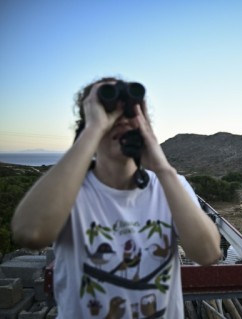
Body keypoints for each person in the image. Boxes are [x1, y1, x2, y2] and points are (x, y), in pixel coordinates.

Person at [11, 76, 222, 318]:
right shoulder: (67, 192)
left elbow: (208, 253)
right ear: (88, 123)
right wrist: (93, 130)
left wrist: (162, 167)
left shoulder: (170, 186)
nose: (119, 119)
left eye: (129, 111)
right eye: (109, 111)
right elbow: (29, 232)